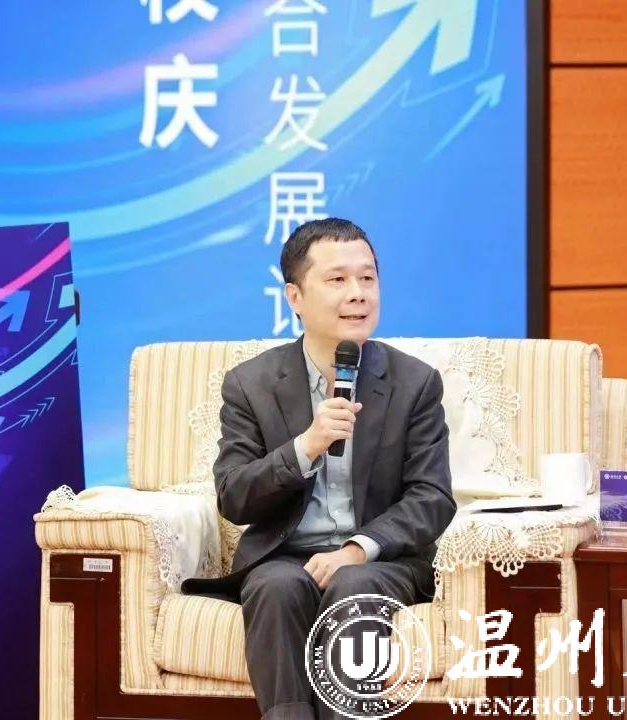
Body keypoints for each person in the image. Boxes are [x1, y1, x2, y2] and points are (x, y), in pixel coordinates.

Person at [181, 218, 456, 720]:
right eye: (337, 280)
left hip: (382, 561)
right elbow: (234, 496)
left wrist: (356, 550)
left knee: (353, 585)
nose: (358, 293)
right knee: (275, 587)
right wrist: (305, 447)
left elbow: (431, 497)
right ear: (295, 296)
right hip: (285, 556)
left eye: (367, 278)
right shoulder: (251, 384)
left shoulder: (415, 383)